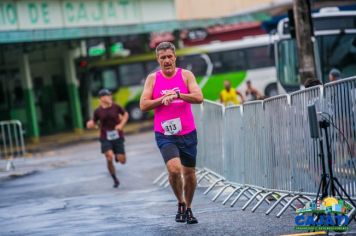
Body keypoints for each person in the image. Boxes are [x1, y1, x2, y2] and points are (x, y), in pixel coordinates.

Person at [140, 42, 203, 224]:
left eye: (169, 57)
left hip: (188, 132)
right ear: (158, 59)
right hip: (165, 133)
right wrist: (161, 99)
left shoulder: (186, 75)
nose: (166, 60)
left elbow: (198, 97)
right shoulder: (153, 79)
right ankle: (180, 202)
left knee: (189, 173)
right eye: (162, 58)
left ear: (175, 57)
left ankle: (189, 208)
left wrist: (177, 95)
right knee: (175, 169)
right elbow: (143, 105)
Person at [86, 89, 129, 188]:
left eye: (110, 95)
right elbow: (94, 122)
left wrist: (121, 125)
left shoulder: (116, 106)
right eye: (107, 96)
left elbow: (125, 114)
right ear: (101, 98)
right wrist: (90, 124)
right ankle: (114, 178)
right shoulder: (98, 111)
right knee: (109, 157)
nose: (109, 97)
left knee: (122, 160)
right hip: (105, 136)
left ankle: (117, 156)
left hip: (118, 136)